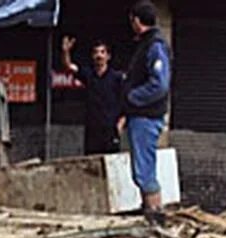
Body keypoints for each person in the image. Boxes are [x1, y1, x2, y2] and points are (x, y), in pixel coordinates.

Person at [121, 0, 171, 226]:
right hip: (140, 115)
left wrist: (133, 97)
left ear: (136, 21)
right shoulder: (146, 44)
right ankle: (149, 212)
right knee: (141, 168)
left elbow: (159, 84)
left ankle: (155, 215)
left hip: (146, 116)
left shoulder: (154, 46)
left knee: (144, 168)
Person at [61, 35, 125, 155]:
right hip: (92, 130)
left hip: (110, 130)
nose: (99, 55)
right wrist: (66, 52)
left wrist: (120, 124)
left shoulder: (117, 77)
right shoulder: (88, 75)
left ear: (108, 56)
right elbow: (69, 67)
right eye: (96, 52)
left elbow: (125, 103)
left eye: (102, 52)